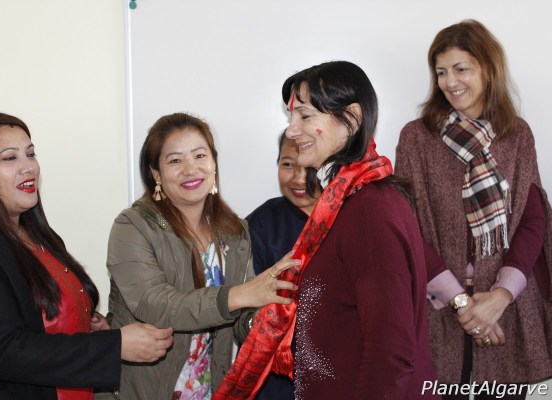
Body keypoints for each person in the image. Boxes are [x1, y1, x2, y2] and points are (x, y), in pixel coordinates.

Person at [215, 61, 440, 400]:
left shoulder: (371, 207)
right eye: (291, 117)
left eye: (305, 116)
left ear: (351, 118)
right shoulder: (341, 201)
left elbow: (390, 351)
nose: (292, 130)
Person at [0, 111, 174, 400]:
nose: (29, 167)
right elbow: (4, 350)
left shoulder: (38, 236)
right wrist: (114, 346)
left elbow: (43, 321)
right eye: (10, 158)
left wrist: (91, 326)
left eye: (30, 154)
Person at [395, 19, 552, 400]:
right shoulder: (417, 137)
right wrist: (463, 304)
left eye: (461, 69)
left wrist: (500, 297)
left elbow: (533, 220)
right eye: (441, 72)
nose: (450, 82)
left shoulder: (517, 135)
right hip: (439, 309)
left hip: (509, 308)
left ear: (488, 69)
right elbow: (406, 226)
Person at [100, 112, 298, 400]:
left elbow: (240, 317)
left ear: (213, 163)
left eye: (200, 156)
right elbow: (156, 305)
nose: (191, 169)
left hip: (209, 390)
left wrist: (262, 319)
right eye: (175, 161)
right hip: (143, 391)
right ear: (156, 174)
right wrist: (241, 295)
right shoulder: (133, 226)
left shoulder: (234, 230)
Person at [246, 130, 320, 400]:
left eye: (311, 168)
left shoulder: (352, 215)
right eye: (288, 164)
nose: (299, 178)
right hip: (277, 376)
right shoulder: (260, 225)